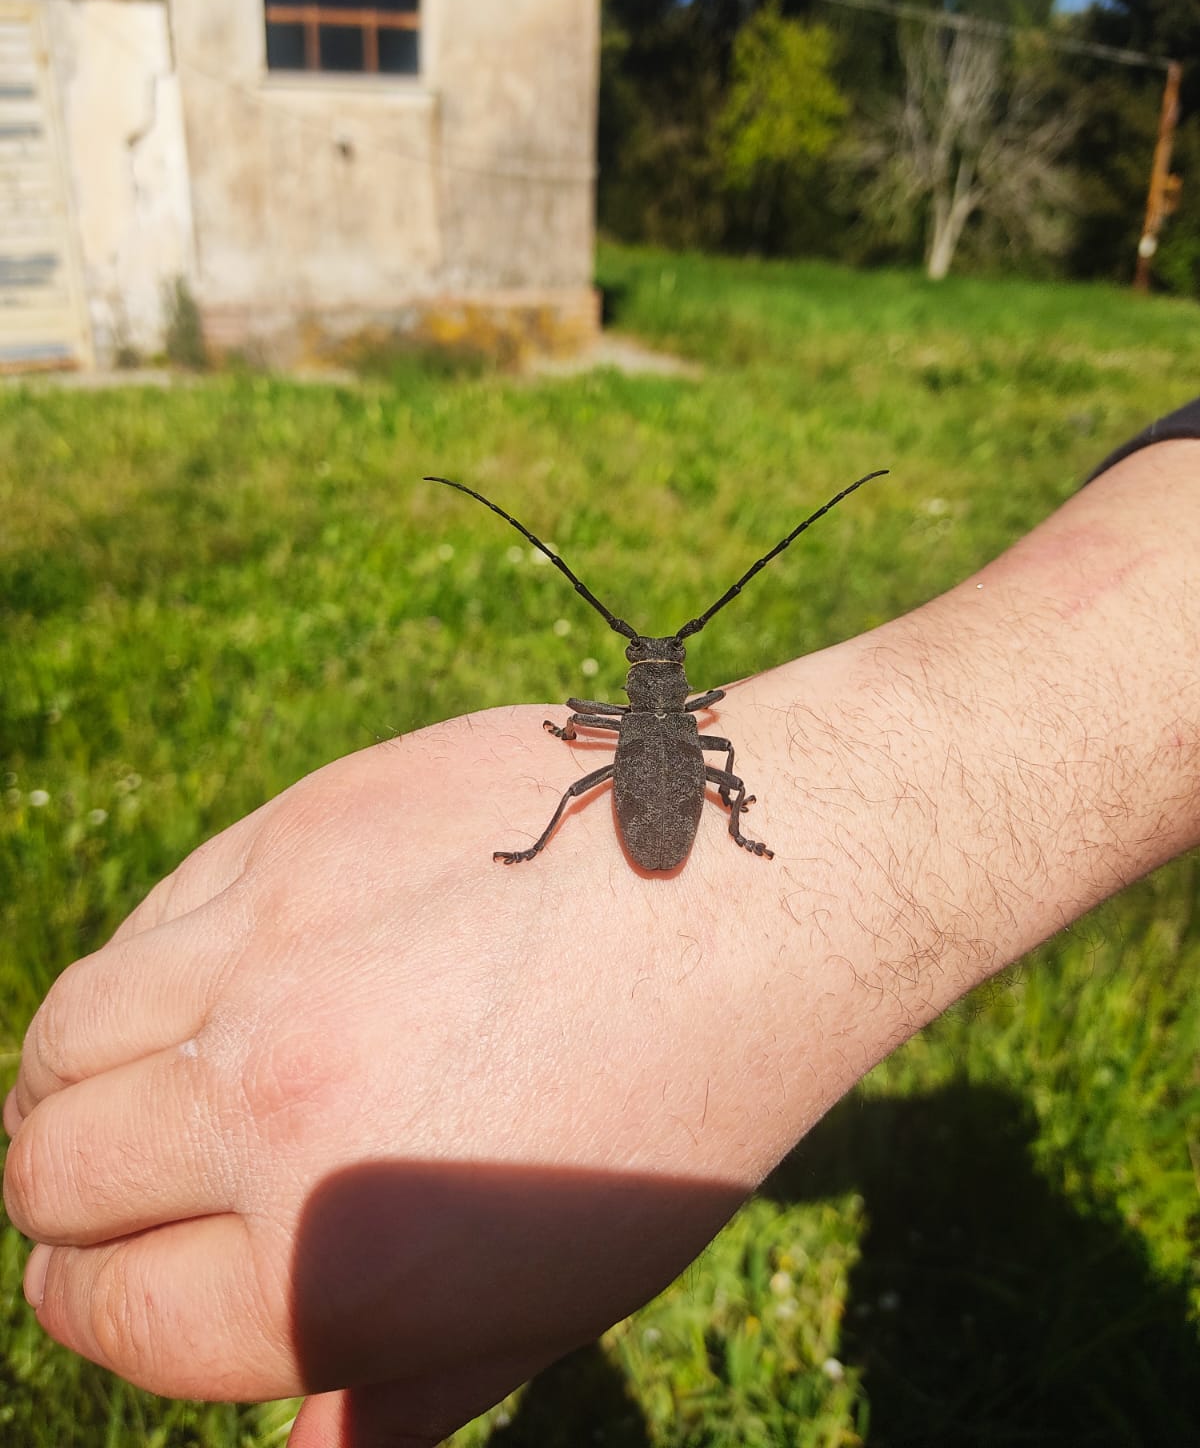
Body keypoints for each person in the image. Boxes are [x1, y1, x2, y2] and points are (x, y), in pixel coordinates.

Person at [4, 417, 1200, 1448]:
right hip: (665, 796)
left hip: (656, 798)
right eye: (649, 663)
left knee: (624, 788)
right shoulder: (674, 726)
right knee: (657, 783)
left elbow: (667, 750)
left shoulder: (634, 730)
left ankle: (594, 842)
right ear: (647, 687)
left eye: (660, 665)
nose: (658, 668)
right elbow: (702, 749)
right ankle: (598, 839)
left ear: (654, 691)